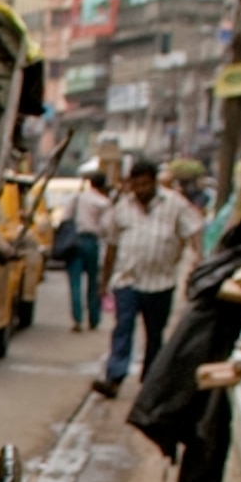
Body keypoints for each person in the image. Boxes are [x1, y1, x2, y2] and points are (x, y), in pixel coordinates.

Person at [95, 157, 206, 398]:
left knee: (155, 334)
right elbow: (112, 246)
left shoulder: (175, 204)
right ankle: (114, 377)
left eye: (146, 185)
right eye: (137, 185)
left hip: (160, 283)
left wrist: (199, 258)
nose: (141, 190)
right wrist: (104, 282)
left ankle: (151, 381)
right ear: (131, 184)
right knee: (123, 328)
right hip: (127, 281)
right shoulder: (123, 207)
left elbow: (194, 231)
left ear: (154, 182)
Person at [56, 170, 112, 330]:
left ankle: (77, 319)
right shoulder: (104, 202)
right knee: (93, 282)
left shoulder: (77, 198)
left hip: (74, 242)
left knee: (75, 282)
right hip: (91, 242)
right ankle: (94, 319)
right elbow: (107, 227)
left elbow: (65, 218)